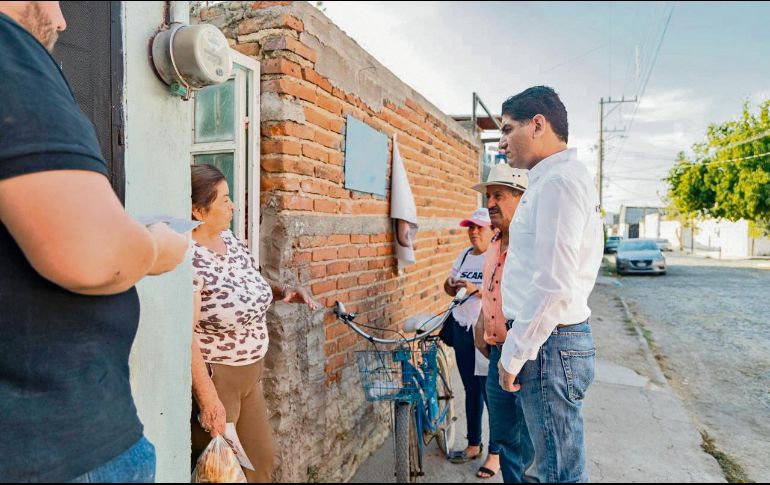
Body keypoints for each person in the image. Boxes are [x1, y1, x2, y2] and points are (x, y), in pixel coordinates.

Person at [0, 2, 189, 482]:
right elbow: (92, 257)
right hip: (59, 451)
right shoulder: (7, 46)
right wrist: (154, 248)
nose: (61, 20)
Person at [497, 86, 604, 483]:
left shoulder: (558, 182)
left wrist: (515, 353)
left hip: (548, 347)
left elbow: (553, 284)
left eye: (508, 129)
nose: (502, 141)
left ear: (538, 124)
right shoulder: (554, 179)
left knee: (555, 475)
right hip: (552, 344)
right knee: (548, 469)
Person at [189, 164, 318, 483]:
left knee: (261, 462)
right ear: (198, 210)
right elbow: (184, 334)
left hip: (251, 376)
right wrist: (209, 401)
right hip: (219, 380)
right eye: (224, 200)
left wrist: (283, 289)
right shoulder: (186, 256)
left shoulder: (229, 240)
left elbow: (251, 281)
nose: (232, 206)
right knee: (220, 474)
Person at [471, 164, 534, 482]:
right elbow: (490, 290)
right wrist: (482, 324)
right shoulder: (494, 241)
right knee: (505, 437)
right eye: (488, 196)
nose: (490, 203)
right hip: (497, 352)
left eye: (498, 195)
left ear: (522, 198)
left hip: (528, 354)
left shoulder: (532, 243)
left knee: (531, 444)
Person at [443, 208, 501, 478]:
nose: (474, 232)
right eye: (470, 227)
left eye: (479, 227)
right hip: (463, 329)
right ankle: (473, 444)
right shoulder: (465, 255)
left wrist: (473, 287)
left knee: (492, 394)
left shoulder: (497, 255)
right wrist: (451, 283)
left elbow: (500, 289)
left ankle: (495, 454)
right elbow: (449, 286)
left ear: (492, 230)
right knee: (470, 389)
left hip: (485, 333)